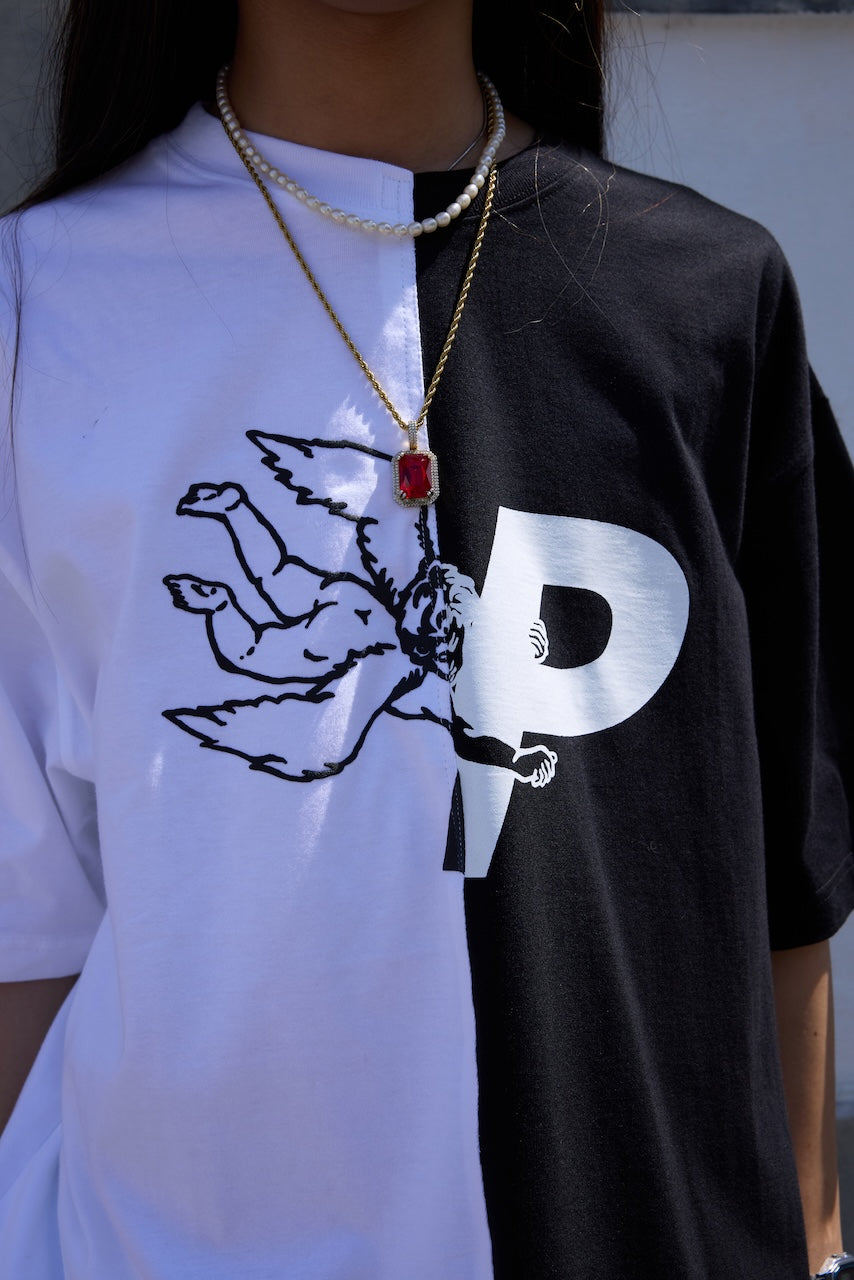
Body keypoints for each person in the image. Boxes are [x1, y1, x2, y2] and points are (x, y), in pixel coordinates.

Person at [1, 1, 852, 1276]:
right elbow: (24, 937)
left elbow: (781, 869)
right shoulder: (34, 312)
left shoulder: (708, 296)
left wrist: (816, 1243)